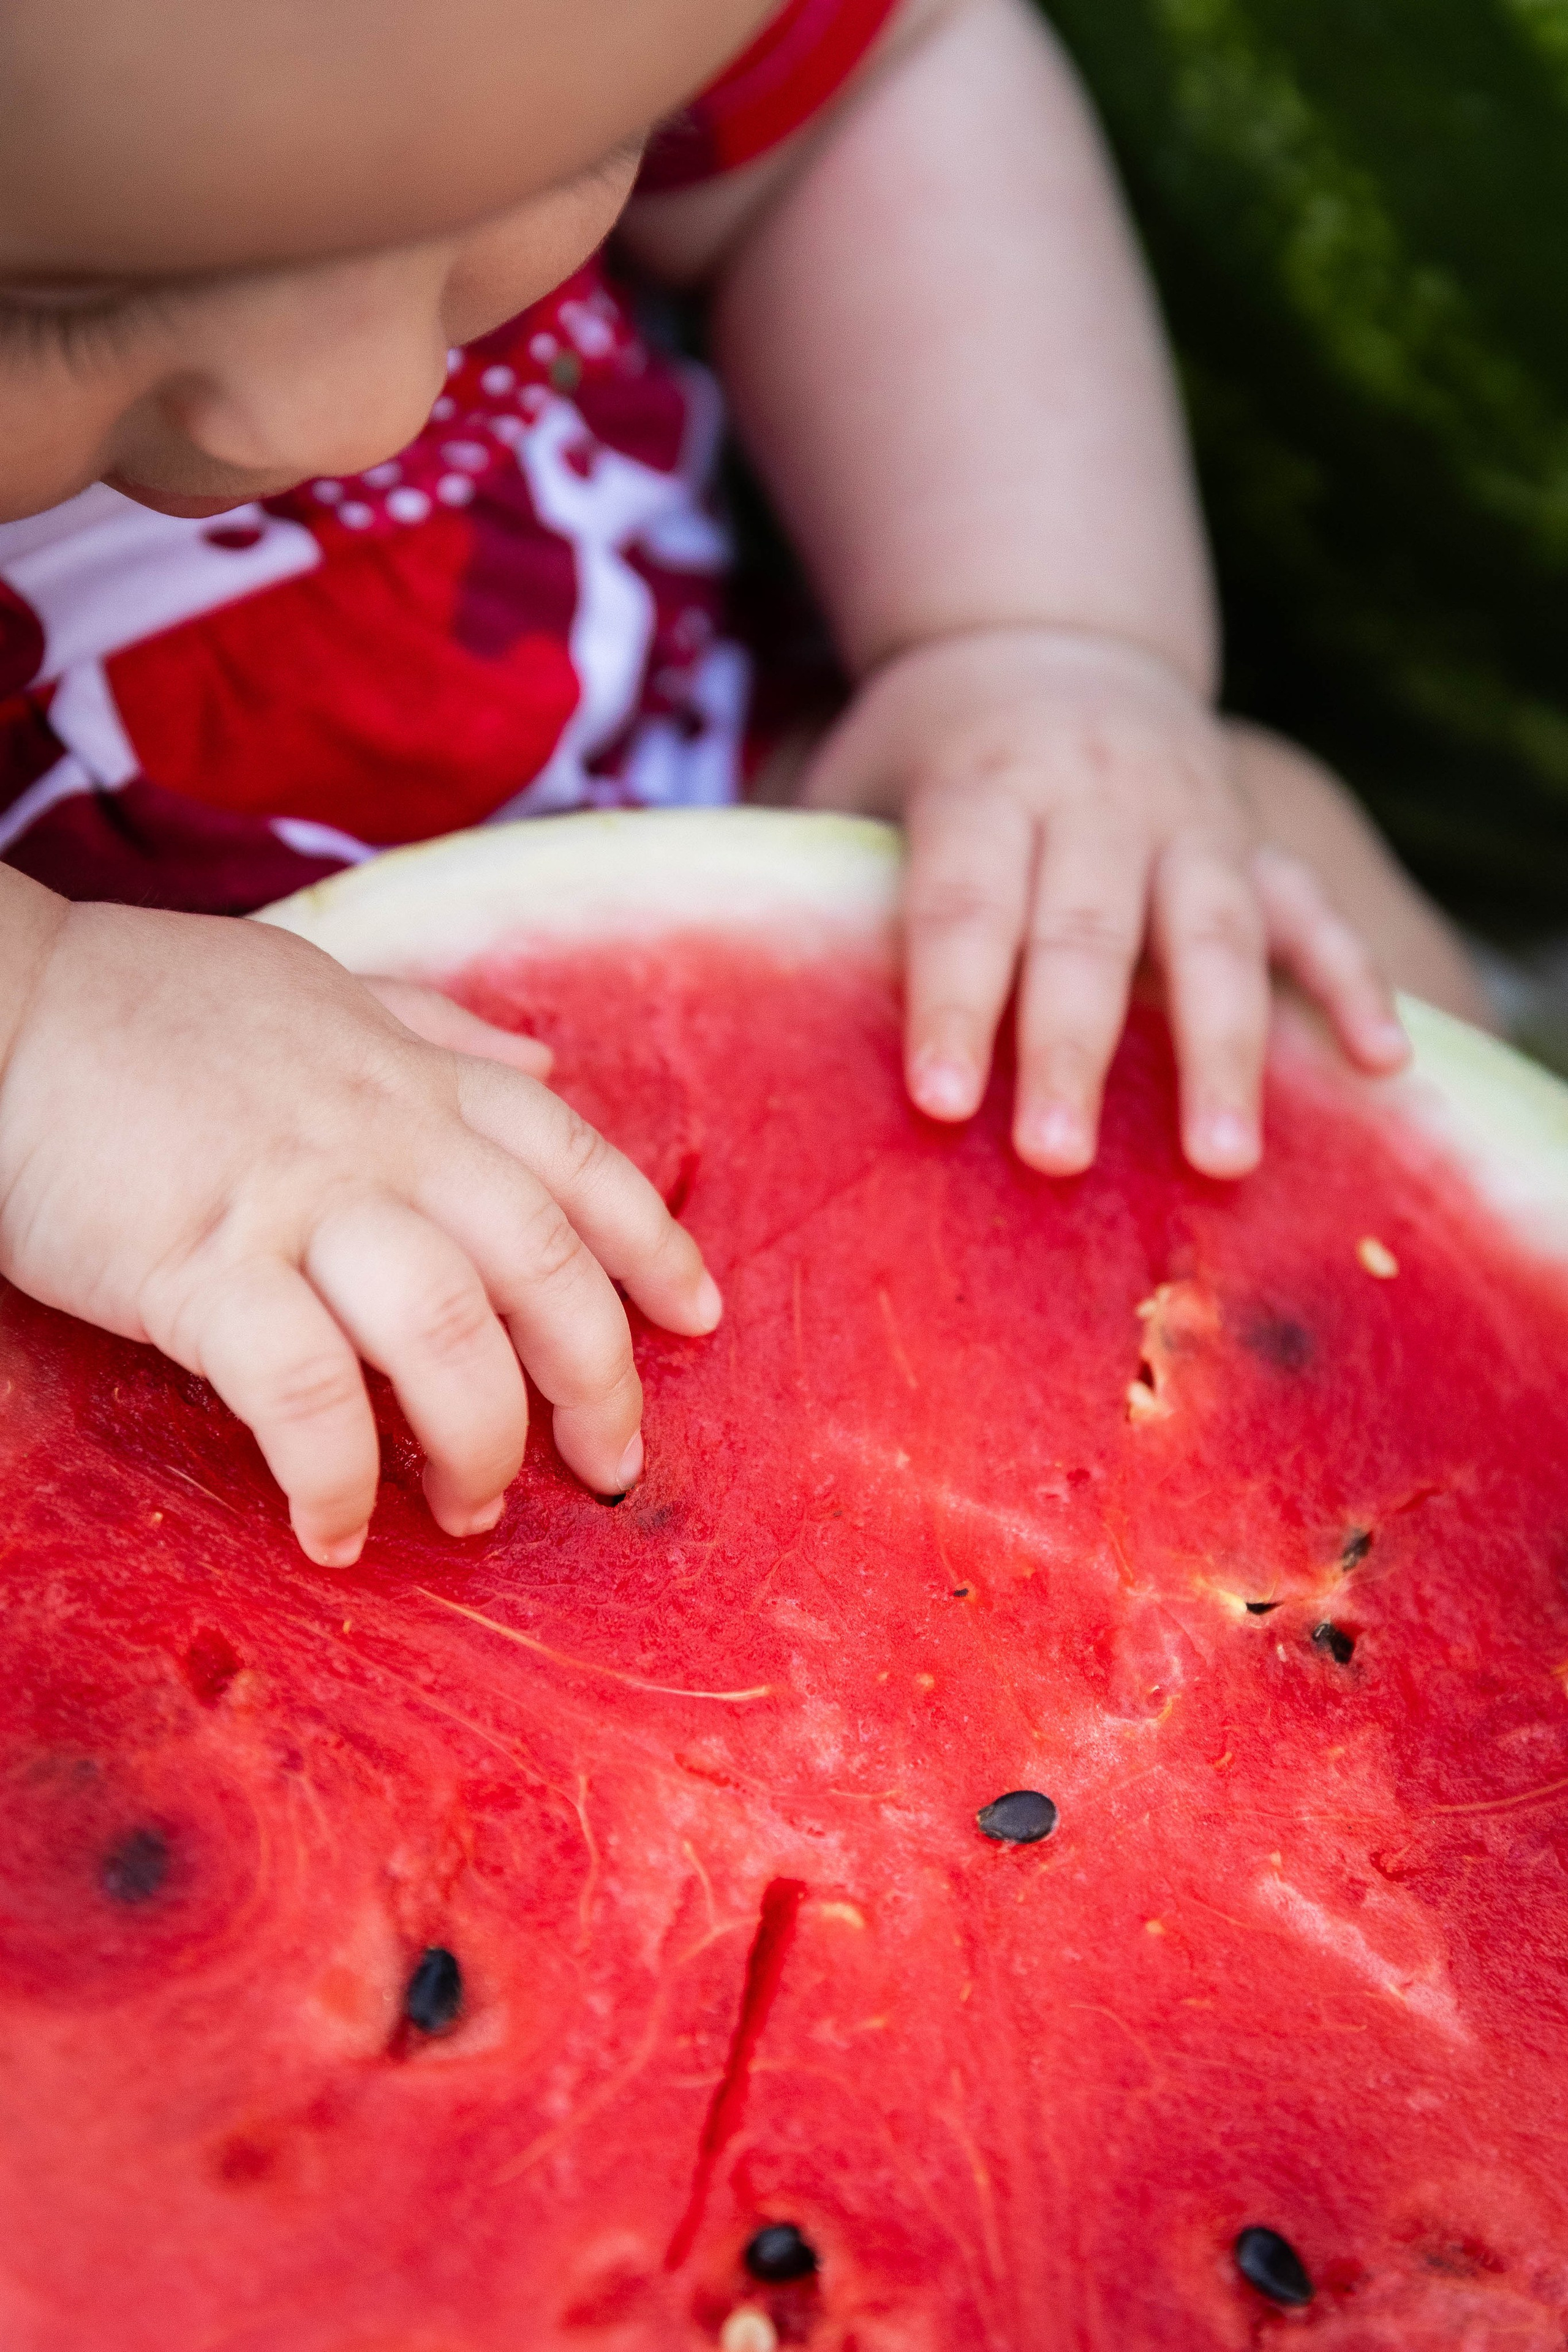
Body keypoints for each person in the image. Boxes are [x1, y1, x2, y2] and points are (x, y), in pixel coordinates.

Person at [0, 0, 1490, 1566]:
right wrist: (41, 1042)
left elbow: (868, 96)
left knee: (1238, 883)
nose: (354, 409)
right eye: (53, 311)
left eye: (560, 167)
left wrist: (1028, 640)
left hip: (730, 775)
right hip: (139, 1144)